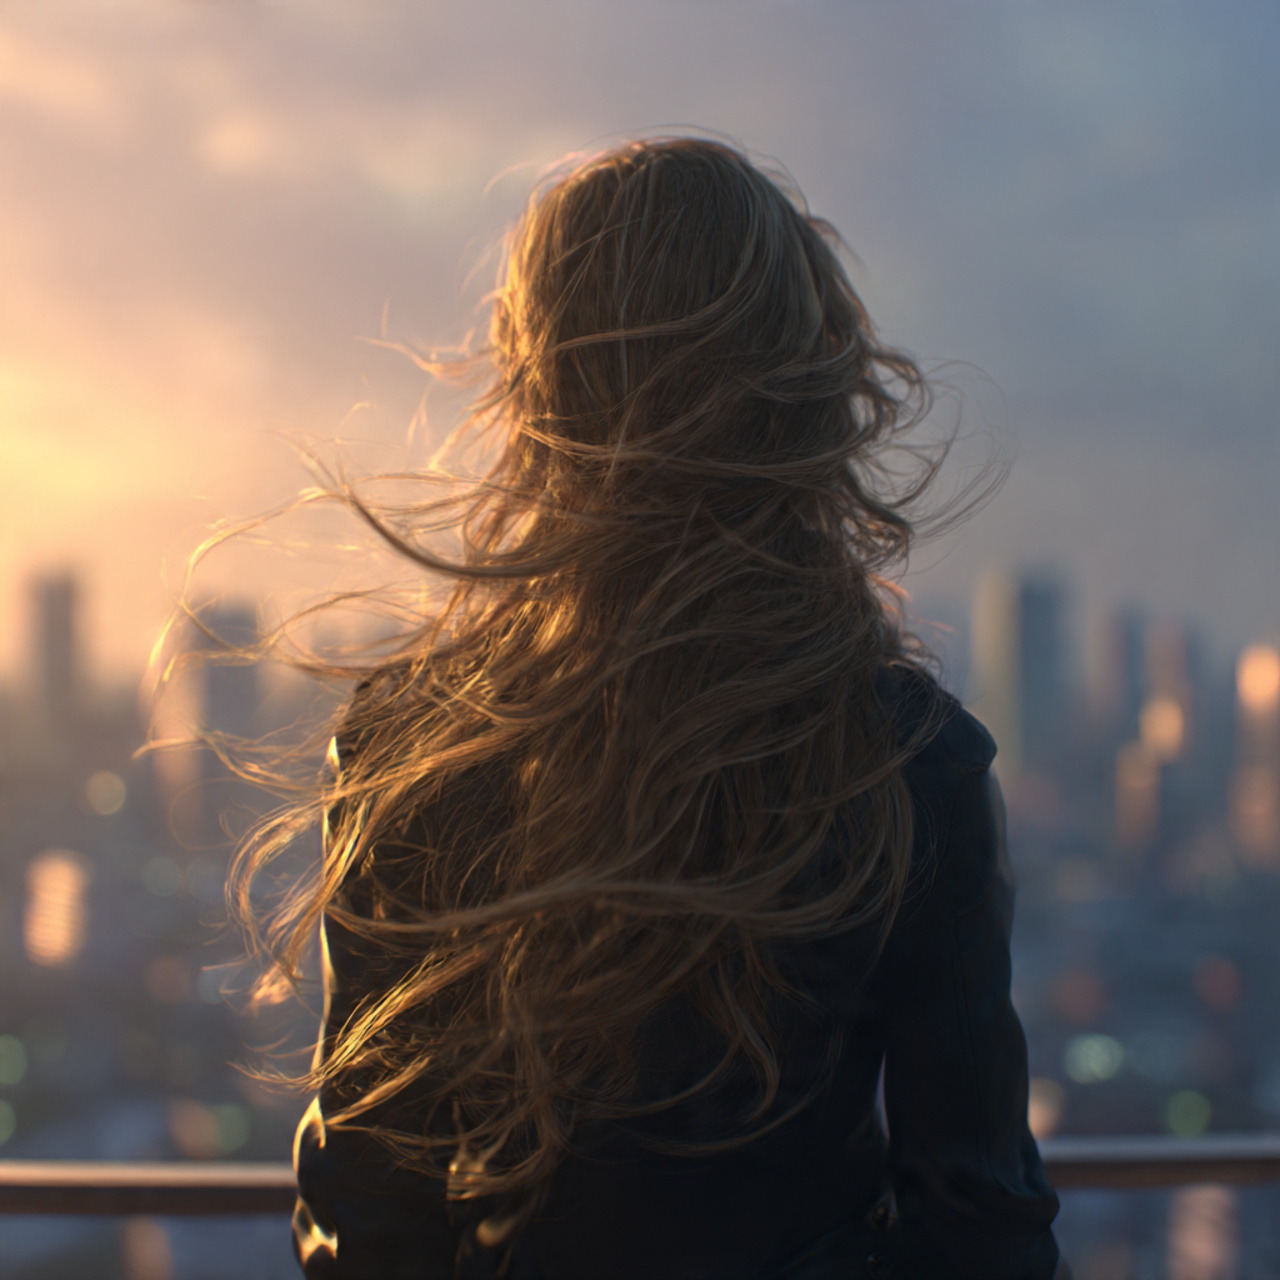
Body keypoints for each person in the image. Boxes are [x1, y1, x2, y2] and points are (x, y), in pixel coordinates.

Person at [240, 137, 1066, 1279]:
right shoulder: (902, 762)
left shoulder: (412, 752)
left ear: (538, 387)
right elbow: (979, 1230)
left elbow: (366, 1217)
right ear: (804, 383)